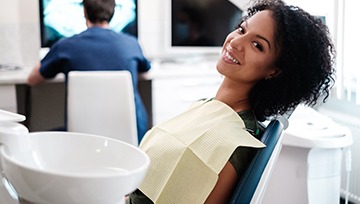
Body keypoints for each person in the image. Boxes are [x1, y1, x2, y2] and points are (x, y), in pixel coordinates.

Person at [129, 0, 335, 203]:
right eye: (241, 30)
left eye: (257, 45)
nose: (235, 42)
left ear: (274, 71)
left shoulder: (235, 145)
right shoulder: (208, 105)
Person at [27, 0, 151, 142]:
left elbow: (32, 79)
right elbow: (146, 69)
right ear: (114, 12)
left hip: (85, 138)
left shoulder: (65, 46)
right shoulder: (132, 44)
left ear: (84, 12)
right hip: (132, 136)